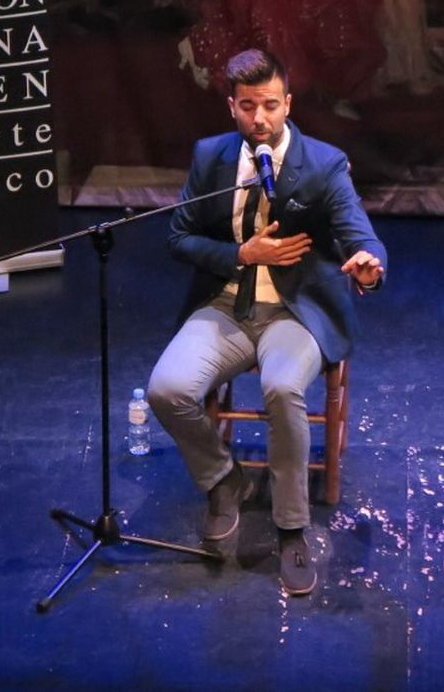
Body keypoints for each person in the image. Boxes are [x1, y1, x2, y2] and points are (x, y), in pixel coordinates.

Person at [146, 48, 387, 595]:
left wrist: (369, 268)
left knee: (281, 387)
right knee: (166, 388)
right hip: (226, 305)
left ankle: (291, 529)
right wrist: (241, 256)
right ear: (232, 106)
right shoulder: (211, 156)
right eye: (249, 106)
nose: (261, 118)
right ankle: (223, 479)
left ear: (288, 104)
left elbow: (358, 233)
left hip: (295, 312)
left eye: (271, 106)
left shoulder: (323, 163)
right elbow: (178, 237)